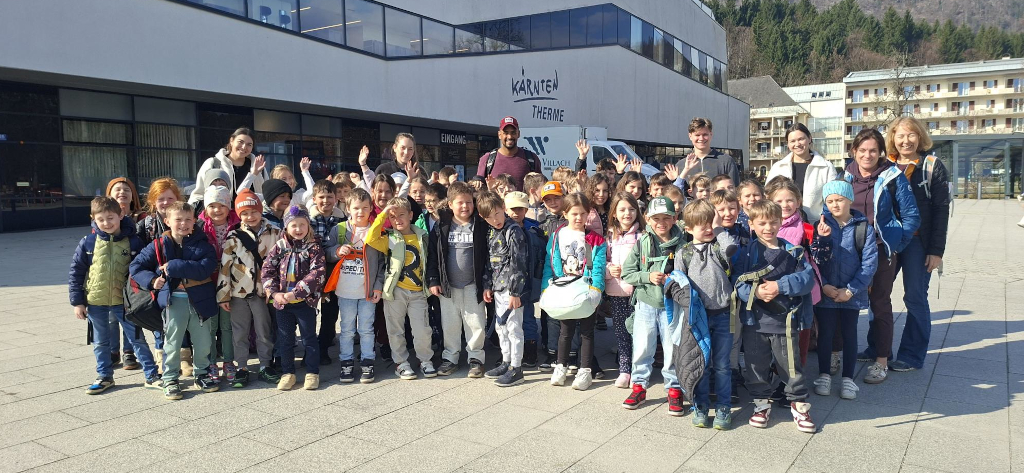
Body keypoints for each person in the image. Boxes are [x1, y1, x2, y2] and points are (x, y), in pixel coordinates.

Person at [843, 128, 920, 385]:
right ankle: (836, 354)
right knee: (844, 301)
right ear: (854, 151)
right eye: (862, 150)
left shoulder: (892, 176)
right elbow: (831, 205)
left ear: (881, 152)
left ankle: (881, 361)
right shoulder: (844, 176)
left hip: (880, 248)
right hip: (850, 250)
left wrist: (896, 243)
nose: (867, 155)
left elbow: (911, 217)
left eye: (873, 151)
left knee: (880, 304)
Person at [732, 200, 816, 433]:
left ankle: (799, 405)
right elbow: (737, 282)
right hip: (754, 322)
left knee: (790, 365)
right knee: (755, 365)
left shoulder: (793, 251)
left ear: (781, 222)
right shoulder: (745, 252)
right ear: (751, 224)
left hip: (785, 321)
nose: (768, 227)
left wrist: (780, 286)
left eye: (773, 222)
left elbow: (807, 280)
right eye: (762, 223)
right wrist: (755, 292)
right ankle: (760, 404)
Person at [130, 201, 219, 400]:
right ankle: (170, 378)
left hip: (200, 301)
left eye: (188, 219)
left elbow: (205, 268)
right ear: (167, 221)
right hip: (173, 301)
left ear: (195, 221)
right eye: (178, 219)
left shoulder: (203, 244)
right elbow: (135, 267)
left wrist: (174, 266)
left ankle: (202, 373)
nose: (183, 223)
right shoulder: (159, 245)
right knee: (172, 342)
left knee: (203, 341)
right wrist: (152, 281)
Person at [70, 197, 160, 394]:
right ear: (93, 219)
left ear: (121, 215)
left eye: (110, 218)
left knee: (137, 340)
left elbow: (142, 268)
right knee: (100, 342)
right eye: (100, 219)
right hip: (96, 302)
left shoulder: (134, 241)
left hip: (126, 303)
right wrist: (77, 302)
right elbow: (76, 272)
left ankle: (151, 374)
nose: (106, 223)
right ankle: (104, 376)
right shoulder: (88, 243)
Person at [885, 117, 951, 372]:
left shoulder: (932, 166)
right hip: (889, 241)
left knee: (914, 297)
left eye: (911, 135)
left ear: (920, 137)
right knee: (878, 295)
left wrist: (936, 251)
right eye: (900, 136)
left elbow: (941, 210)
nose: (906, 141)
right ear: (893, 138)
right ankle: (877, 348)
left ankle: (911, 355)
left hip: (917, 243)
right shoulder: (885, 165)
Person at [670, 199, 738, 429]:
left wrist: (719, 227)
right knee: (701, 364)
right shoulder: (683, 253)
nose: (708, 228)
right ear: (688, 229)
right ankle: (700, 405)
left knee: (722, 365)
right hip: (697, 318)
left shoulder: (719, 246)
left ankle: (723, 407)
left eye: (711, 223)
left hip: (723, 314)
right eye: (702, 225)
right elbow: (677, 283)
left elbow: (731, 248)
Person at [811, 180, 878, 400]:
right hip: (827, 291)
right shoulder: (819, 225)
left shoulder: (863, 227)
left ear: (850, 199)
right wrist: (825, 286)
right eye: (830, 201)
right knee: (826, 334)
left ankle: (848, 378)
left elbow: (869, 264)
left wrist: (850, 290)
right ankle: (824, 374)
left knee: (850, 335)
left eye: (839, 200)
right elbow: (814, 260)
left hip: (852, 292)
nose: (835, 205)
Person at [619, 196, 687, 414]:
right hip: (646, 303)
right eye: (656, 218)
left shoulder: (683, 243)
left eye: (666, 218)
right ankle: (639, 386)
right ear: (647, 218)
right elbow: (628, 273)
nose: (661, 223)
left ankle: (674, 389)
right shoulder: (642, 243)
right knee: (642, 347)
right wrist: (648, 276)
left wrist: (675, 278)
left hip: (672, 304)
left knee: (671, 348)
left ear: (675, 218)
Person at [216, 190, 281, 387]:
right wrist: (223, 295)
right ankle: (241, 367)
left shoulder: (275, 232)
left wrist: (276, 290)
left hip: (262, 293)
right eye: (244, 213)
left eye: (254, 211)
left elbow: (281, 262)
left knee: (263, 331)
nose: (250, 217)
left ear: (261, 211)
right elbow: (225, 267)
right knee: (240, 332)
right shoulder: (234, 237)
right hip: (238, 293)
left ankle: (264, 365)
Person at [543, 193, 607, 391]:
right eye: (574, 214)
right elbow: (549, 263)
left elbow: (598, 267)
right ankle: (561, 366)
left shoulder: (596, 240)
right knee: (565, 331)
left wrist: (596, 290)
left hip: (586, 290)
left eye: (583, 214)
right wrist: (546, 287)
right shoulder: (557, 236)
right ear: (566, 213)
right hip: (565, 289)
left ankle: (585, 370)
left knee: (587, 333)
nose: (579, 218)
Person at [367, 197, 435, 380]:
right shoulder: (389, 237)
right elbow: (370, 238)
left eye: (402, 215)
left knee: (422, 329)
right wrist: (383, 214)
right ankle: (401, 363)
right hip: (395, 291)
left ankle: (425, 360)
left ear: (411, 215)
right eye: (393, 216)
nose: (398, 220)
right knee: (395, 329)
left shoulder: (422, 235)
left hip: (418, 291)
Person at [426, 182, 489, 378]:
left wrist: (487, 283)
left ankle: (476, 358)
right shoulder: (442, 226)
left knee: (475, 321)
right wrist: (433, 279)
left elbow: (487, 256)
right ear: (450, 204)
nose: (465, 207)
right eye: (460, 203)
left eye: (469, 202)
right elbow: (432, 255)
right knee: (450, 323)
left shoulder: (480, 225)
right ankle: (450, 357)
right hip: (448, 285)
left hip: (472, 284)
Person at [261, 205, 326, 391]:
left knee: (309, 338)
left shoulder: (314, 248)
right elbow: (267, 270)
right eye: (293, 225)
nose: (298, 229)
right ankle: (287, 372)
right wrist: (274, 293)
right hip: (283, 304)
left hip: (305, 303)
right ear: (286, 227)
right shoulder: (279, 247)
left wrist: (295, 293)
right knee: (285, 339)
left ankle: (313, 372)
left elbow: (317, 274)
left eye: (302, 225)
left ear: (308, 226)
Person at [323, 189, 385, 383]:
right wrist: (337, 250)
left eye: (365, 208)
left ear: (371, 209)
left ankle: (367, 362)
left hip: (367, 290)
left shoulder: (376, 231)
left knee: (366, 328)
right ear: (348, 208)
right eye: (356, 208)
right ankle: (346, 362)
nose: (360, 212)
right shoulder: (339, 230)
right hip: (345, 290)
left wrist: (378, 286)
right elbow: (326, 252)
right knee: (347, 329)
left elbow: (383, 262)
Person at [478, 192, 530, 387]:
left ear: (503, 208)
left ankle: (517, 368)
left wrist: (516, 293)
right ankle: (506, 361)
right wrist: (486, 286)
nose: (496, 219)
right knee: (501, 328)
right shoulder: (491, 231)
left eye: (498, 213)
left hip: (511, 290)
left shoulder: (513, 231)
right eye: (490, 217)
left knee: (514, 328)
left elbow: (519, 263)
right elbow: (490, 262)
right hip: (497, 288)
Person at [196, 185, 239, 383]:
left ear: (228, 206)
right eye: (212, 205)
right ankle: (211, 361)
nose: (217, 210)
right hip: (208, 283)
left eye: (221, 205)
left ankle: (229, 361)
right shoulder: (199, 227)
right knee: (210, 327)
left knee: (227, 325)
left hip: (231, 283)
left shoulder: (237, 225)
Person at [105, 177, 145, 370]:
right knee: (112, 316)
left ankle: (129, 352)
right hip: (110, 276)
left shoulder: (142, 217)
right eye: (117, 190)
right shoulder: (104, 217)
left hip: (131, 275)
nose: (122, 193)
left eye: (126, 190)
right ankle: (113, 351)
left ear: (133, 195)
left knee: (131, 313)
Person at [604, 192, 642, 388]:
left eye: (631, 209)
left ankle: (637, 370)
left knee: (638, 332)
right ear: (614, 213)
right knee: (620, 332)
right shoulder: (609, 235)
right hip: (617, 291)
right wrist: (609, 270)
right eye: (622, 209)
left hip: (638, 293)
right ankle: (624, 369)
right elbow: (603, 260)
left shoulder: (642, 235)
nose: (627, 213)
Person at [766, 123, 838, 222]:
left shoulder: (826, 167)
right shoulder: (778, 167)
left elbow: (833, 198)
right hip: (782, 225)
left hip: (815, 225)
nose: (797, 144)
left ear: (809, 138)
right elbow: (768, 196)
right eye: (792, 141)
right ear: (788, 144)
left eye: (801, 139)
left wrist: (824, 221)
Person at [504, 191, 545, 368]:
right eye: (512, 209)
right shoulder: (500, 227)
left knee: (528, 317)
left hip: (528, 280)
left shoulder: (534, 228)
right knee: (508, 319)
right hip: (506, 282)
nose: (516, 213)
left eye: (520, 209)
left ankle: (530, 349)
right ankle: (508, 353)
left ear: (526, 209)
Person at [308, 179, 345, 365]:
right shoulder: (308, 220)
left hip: (333, 271)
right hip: (310, 270)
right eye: (321, 197)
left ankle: (323, 346)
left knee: (330, 311)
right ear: (314, 199)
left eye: (330, 197)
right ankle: (310, 348)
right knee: (309, 311)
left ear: (336, 199)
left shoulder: (343, 220)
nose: (326, 201)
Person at [189, 127, 268, 204]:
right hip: (220, 215)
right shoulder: (213, 164)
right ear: (231, 141)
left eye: (249, 145)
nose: (244, 147)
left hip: (249, 216)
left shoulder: (258, 167)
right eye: (240, 142)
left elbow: (266, 195)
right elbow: (199, 194)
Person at [476, 116, 543, 191]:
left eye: (513, 133)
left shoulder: (531, 158)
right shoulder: (487, 159)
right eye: (506, 133)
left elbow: (539, 189)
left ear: (518, 134)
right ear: (499, 135)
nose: (510, 136)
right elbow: (479, 189)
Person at [676, 118, 739, 186]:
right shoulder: (681, 165)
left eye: (705, 135)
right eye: (697, 135)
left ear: (711, 134)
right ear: (690, 136)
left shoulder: (726, 161)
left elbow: (734, 190)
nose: (701, 138)